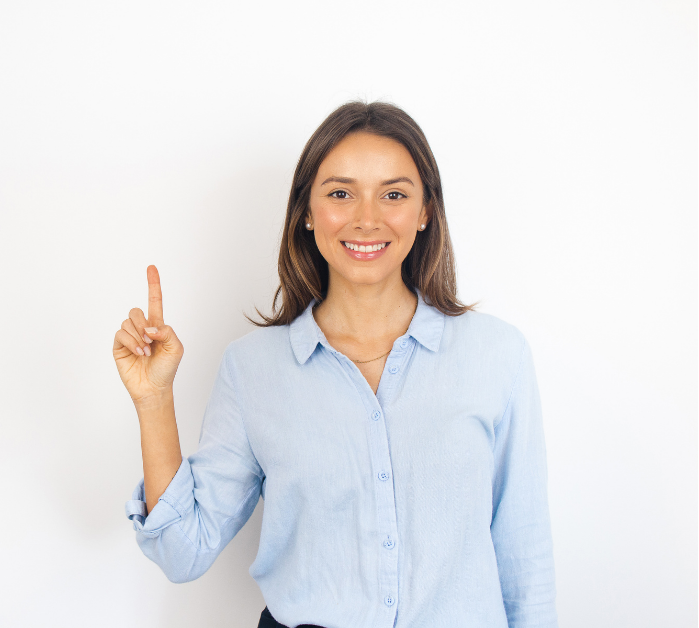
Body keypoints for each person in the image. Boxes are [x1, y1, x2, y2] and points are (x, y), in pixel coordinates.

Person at [112, 101, 557, 628]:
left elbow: (523, 558)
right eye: (341, 193)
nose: (366, 219)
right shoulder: (253, 369)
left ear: (424, 212)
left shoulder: (496, 355)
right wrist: (153, 399)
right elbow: (183, 551)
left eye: (393, 194)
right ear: (306, 211)